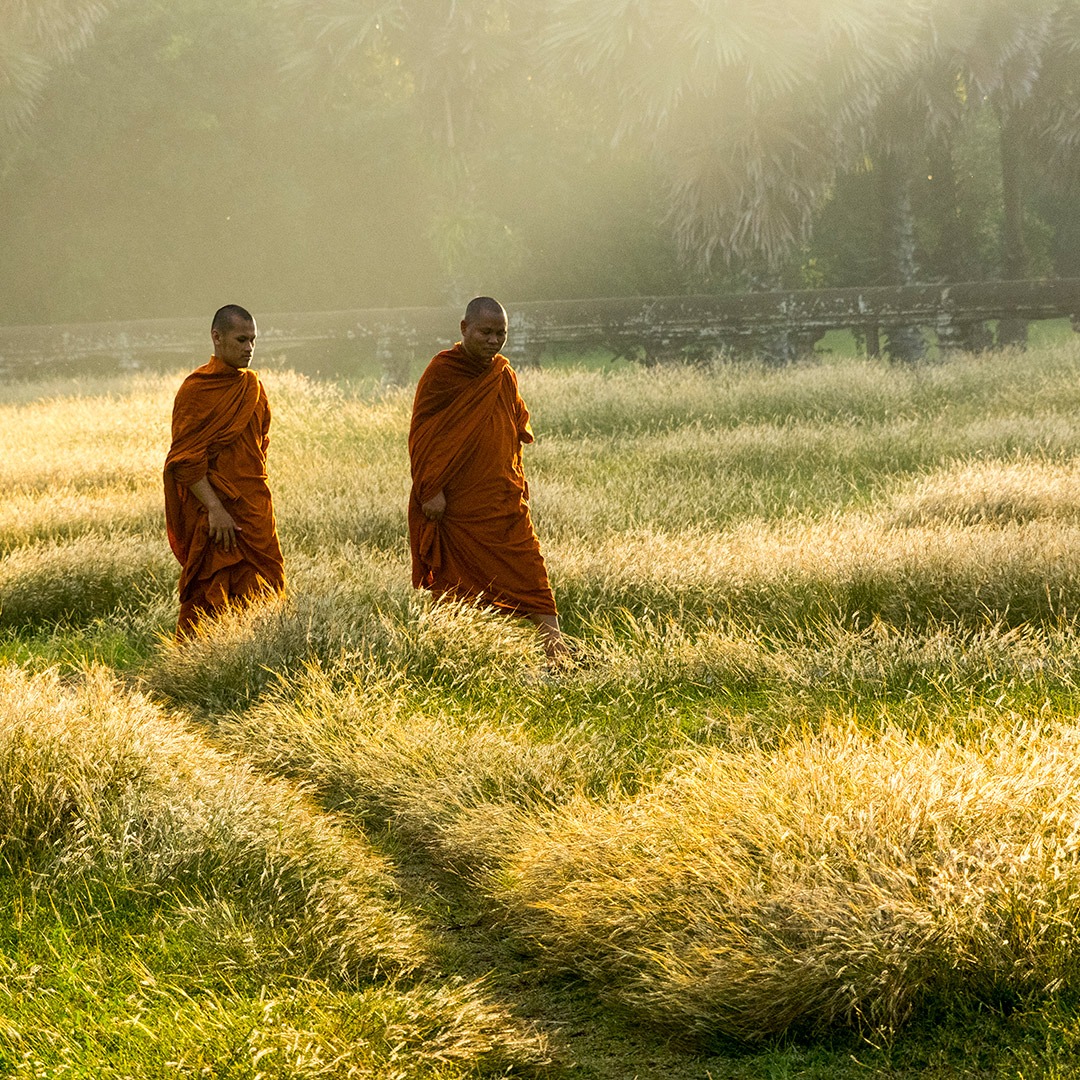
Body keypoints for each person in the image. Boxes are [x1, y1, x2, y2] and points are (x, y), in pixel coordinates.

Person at [408, 296, 568, 664]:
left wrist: (516, 479)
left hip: (502, 497)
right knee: (455, 582)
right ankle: (452, 655)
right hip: (457, 502)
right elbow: (422, 436)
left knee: (531, 571)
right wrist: (429, 489)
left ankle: (557, 655)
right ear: (464, 329)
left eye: (501, 334)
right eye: (485, 332)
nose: (494, 341)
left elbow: (514, 432)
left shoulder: (503, 374)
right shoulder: (442, 373)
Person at [164, 304, 285, 637]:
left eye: (253, 341)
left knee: (265, 595)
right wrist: (216, 509)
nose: (249, 349)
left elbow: (260, 450)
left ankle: (259, 660)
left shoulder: (254, 389)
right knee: (210, 593)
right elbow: (185, 461)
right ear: (217, 337)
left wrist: (252, 500)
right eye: (241, 339)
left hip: (254, 511)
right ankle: (198, 668)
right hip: (215, 515)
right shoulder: (196, 390)